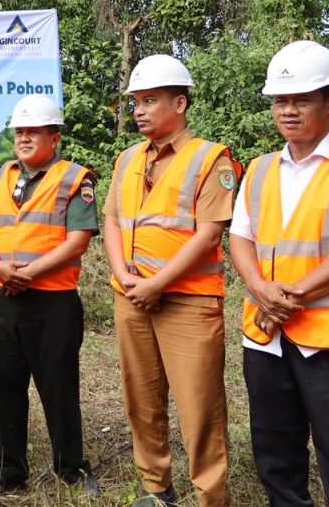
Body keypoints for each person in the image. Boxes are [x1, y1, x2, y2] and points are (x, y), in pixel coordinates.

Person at [103, 55, 238, 507]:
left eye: (151, 100)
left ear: (180, 102)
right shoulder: (126, 159)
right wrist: (124, 276)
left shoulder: (210, 158)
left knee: (199, 408)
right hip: (133, 298)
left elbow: (209, 233)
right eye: (136, 101)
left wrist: (157, 282)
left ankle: (210, 497)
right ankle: (156, 488)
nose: (140, 110)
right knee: (141, 398)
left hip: (188, 302)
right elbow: (112, 221)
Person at [0, 94, 100, 495]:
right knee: (3, 385)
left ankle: (72, 470)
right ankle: (7, 469)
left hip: (52, 301)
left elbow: (77, 241)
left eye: (34, 131)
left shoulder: (75, 178)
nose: (24, 138)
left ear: (54, 136)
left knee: (58, 386)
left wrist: (26, 274)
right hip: (1, 298)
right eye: (20, 131)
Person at [228, 40, 329, 507]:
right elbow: (240, 237)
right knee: (275, 451)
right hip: (265, 338)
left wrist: (289, 295)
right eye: (281, 101)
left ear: (326, 102)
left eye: (302, 100)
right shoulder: (261, 168)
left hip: (322, 339)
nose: (288, 111)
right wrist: (259, 288)